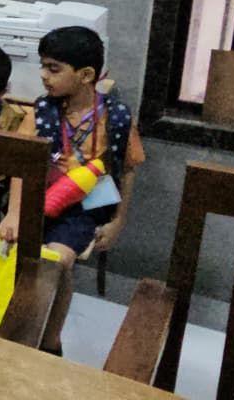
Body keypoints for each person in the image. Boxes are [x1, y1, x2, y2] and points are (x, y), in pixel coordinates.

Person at [13, 25, 143, 356]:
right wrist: (14, 212)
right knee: (42, 263)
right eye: (42, 66)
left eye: (53, 68)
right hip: (40, 200)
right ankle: (36, 334)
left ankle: (48, 339)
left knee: (56, 259)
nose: (43, 75)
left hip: (86, 208)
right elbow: (21, 162)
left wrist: (118, 222)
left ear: (85, 75)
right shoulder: (42, 110)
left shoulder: (116, 116)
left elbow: (127, 171)